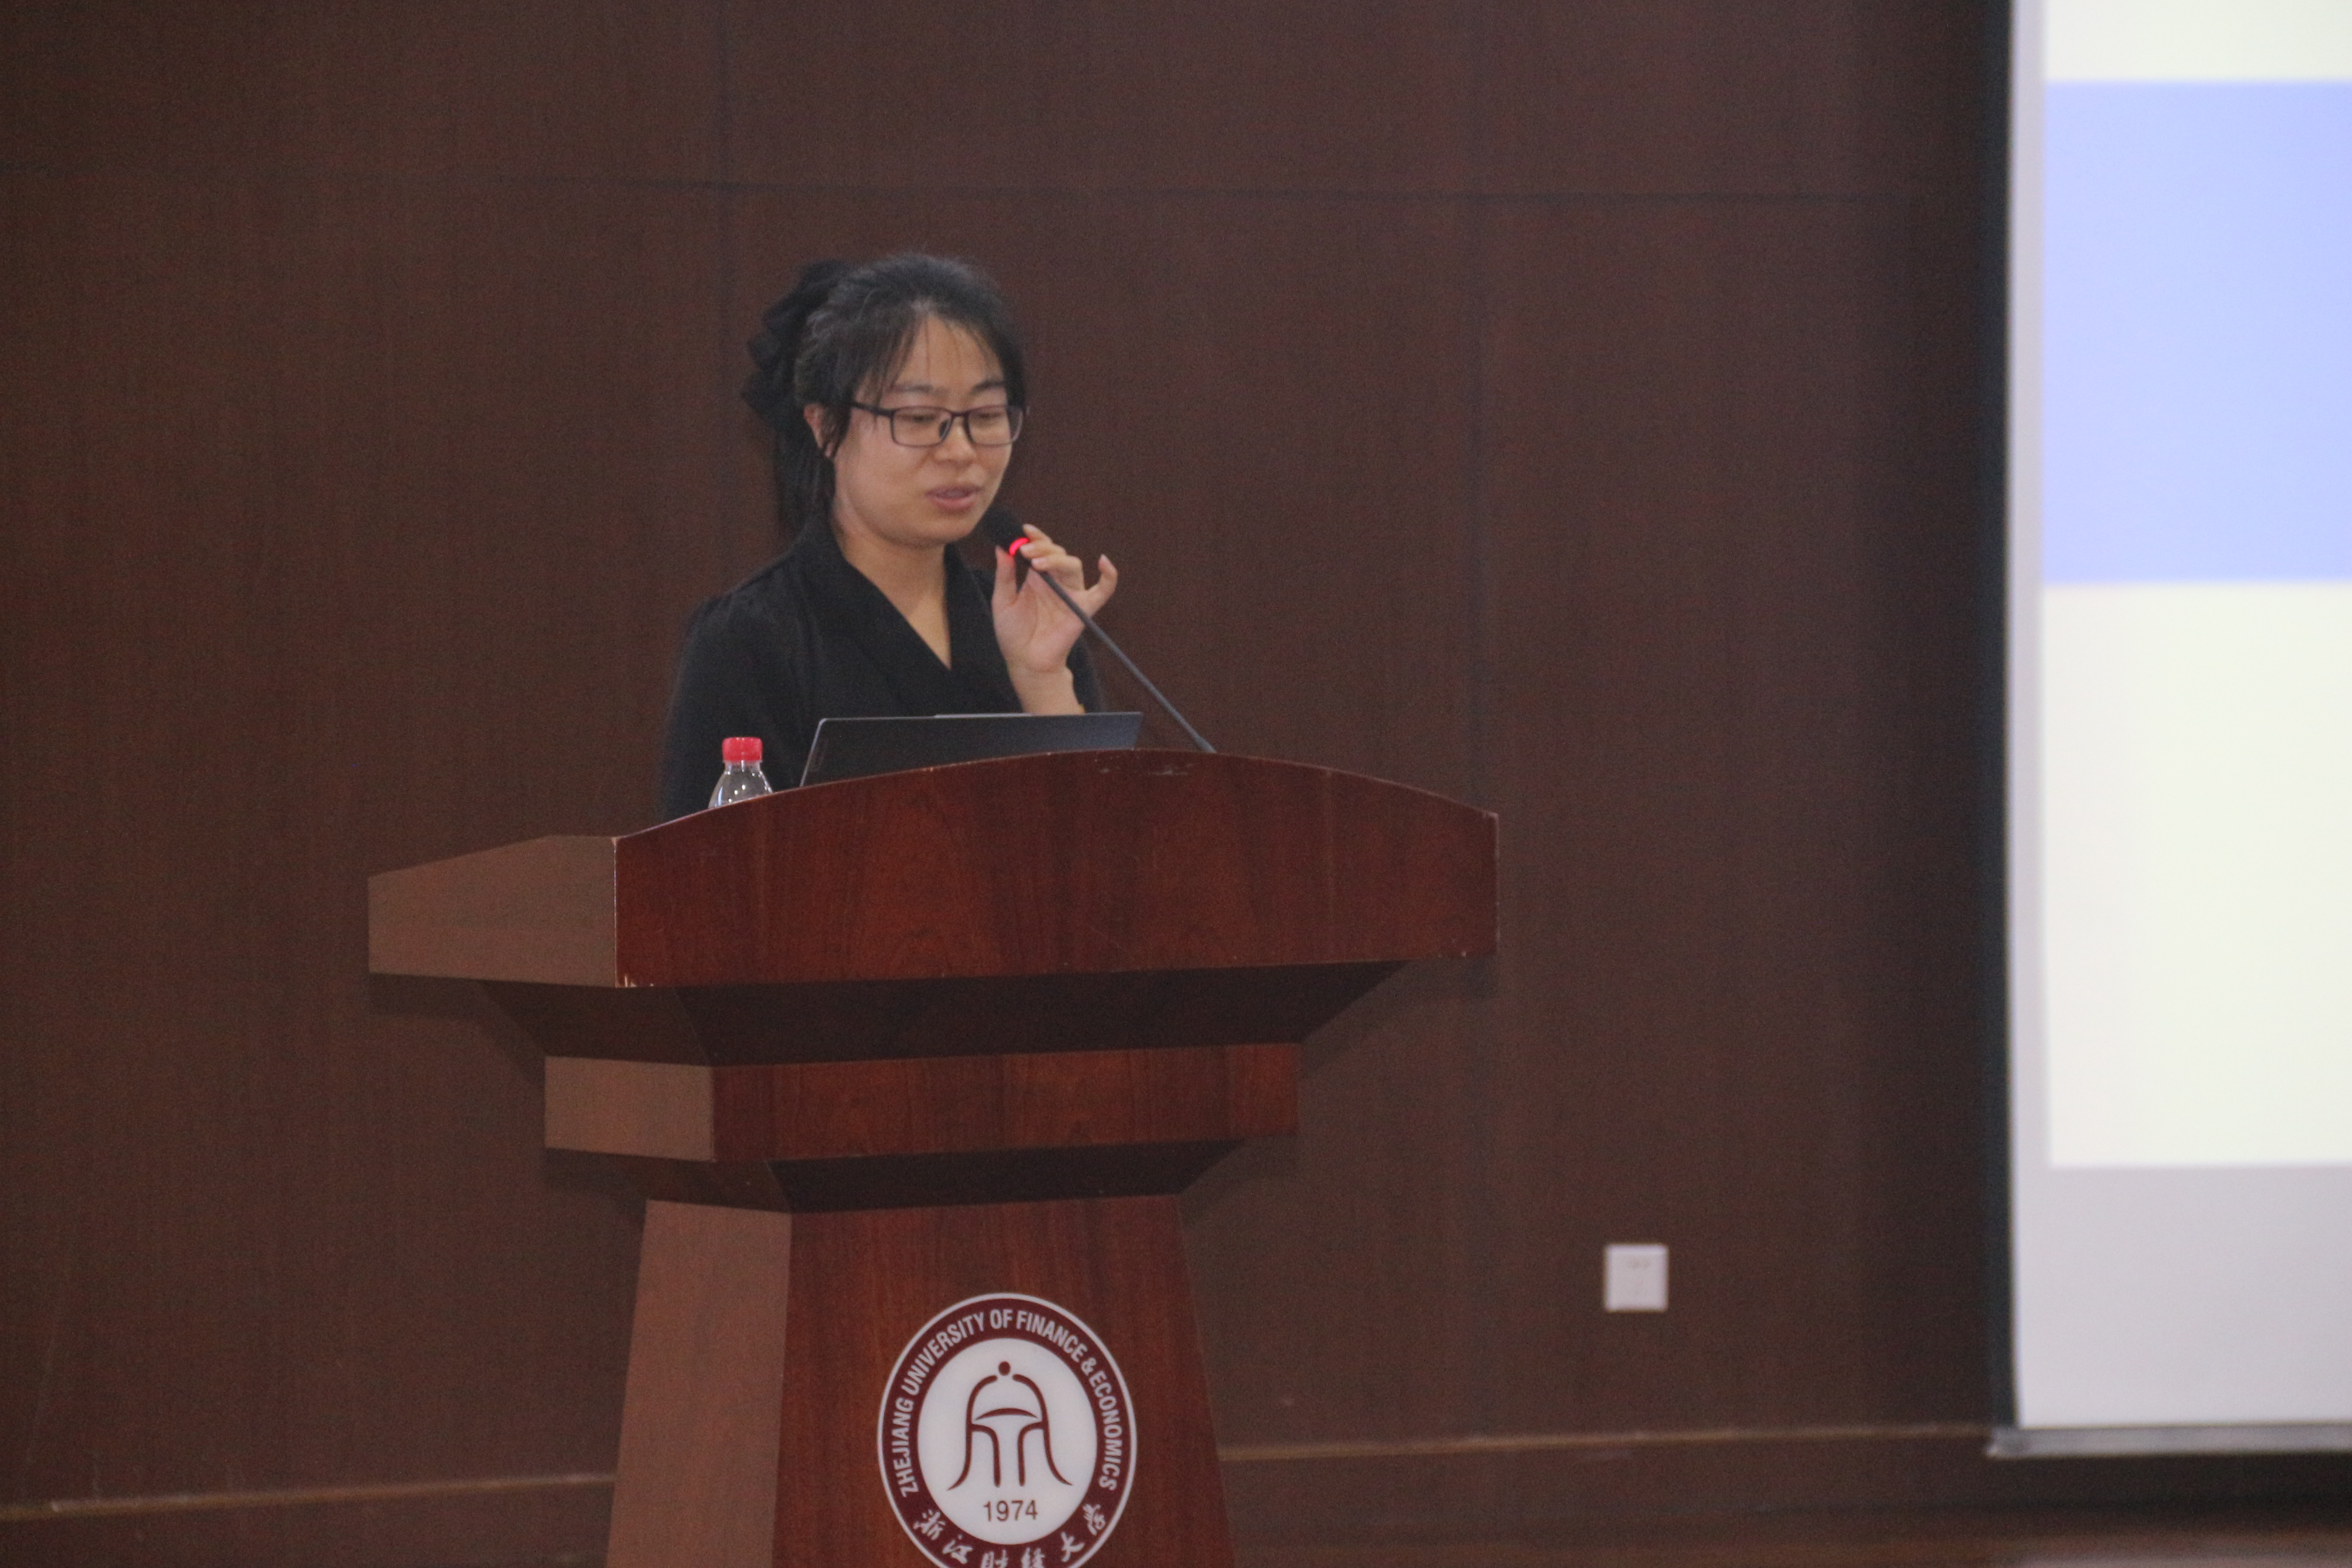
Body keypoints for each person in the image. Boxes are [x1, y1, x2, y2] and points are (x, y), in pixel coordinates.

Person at [657, 255, 1117, 820]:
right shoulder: (753, 637)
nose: (961, 451)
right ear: (825, 426)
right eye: (920, 418)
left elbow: (1103, 852)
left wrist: (1042, 681)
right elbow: (701, 863)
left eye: (986, 415)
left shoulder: (1032, 621)